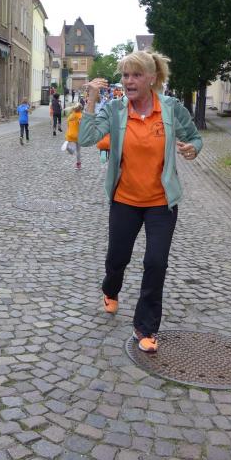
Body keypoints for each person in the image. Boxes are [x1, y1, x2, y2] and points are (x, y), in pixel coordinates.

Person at [79, 50, 202, 353]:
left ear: (152, 78)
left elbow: (194, 137)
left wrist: (192, 149)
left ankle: (146, 327)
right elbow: (86, 138)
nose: (129, 81)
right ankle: (110, 290)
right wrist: (91, 101)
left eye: (136, 75)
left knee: (156, 263)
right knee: (117, 259)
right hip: (125, 199)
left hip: (161, 202)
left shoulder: (171, 109)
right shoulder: (115, 110)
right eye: (125, 75)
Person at [65, 103, 83, 169]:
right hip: (78, 135)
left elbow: (68, 125)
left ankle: (69, 149)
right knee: (78, 151)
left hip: (70, 134)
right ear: (80, 109)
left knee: (70, 148)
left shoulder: (71, 116)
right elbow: (81, 125)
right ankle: (78, 164)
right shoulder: (80, 115)